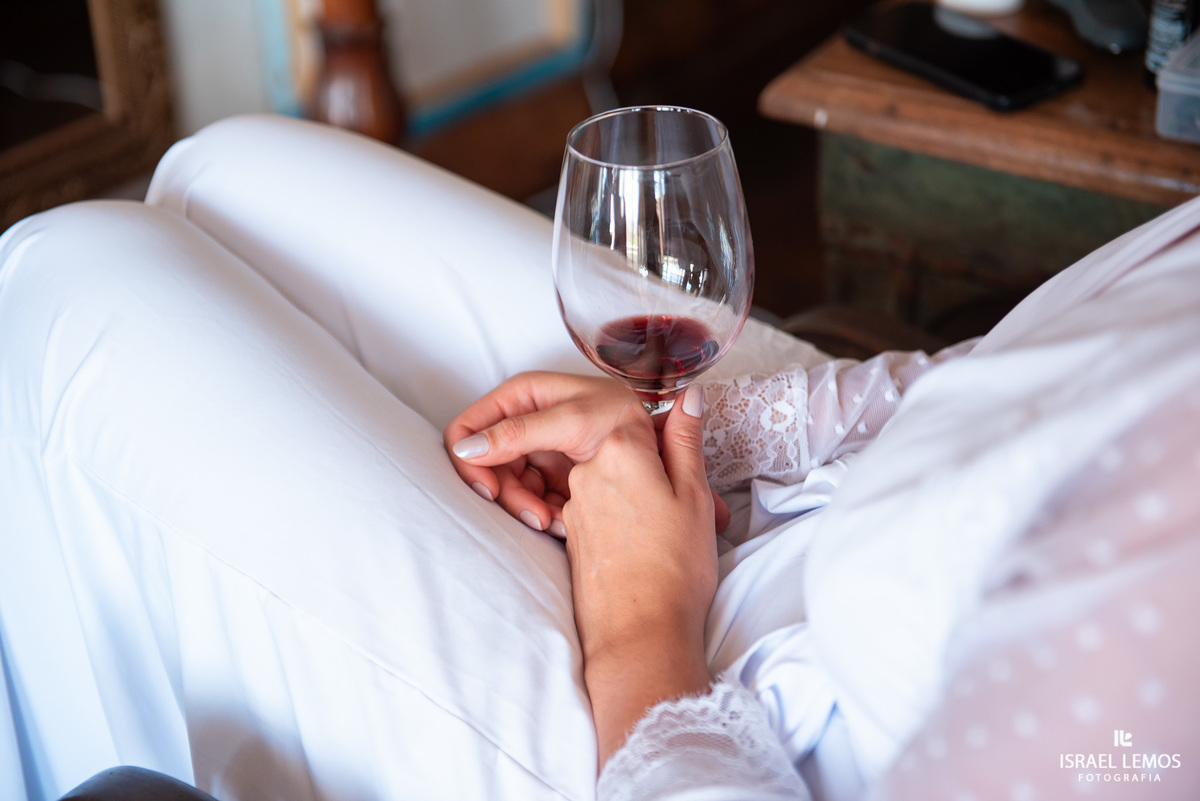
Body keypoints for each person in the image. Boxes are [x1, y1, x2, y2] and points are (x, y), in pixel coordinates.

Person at [0, 114, 1197, 801]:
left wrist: (638, 633)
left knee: (64, 272)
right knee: (226, 176)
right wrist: (705, 443)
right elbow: (1007, 382)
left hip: (689, 736)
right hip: (806, 516)